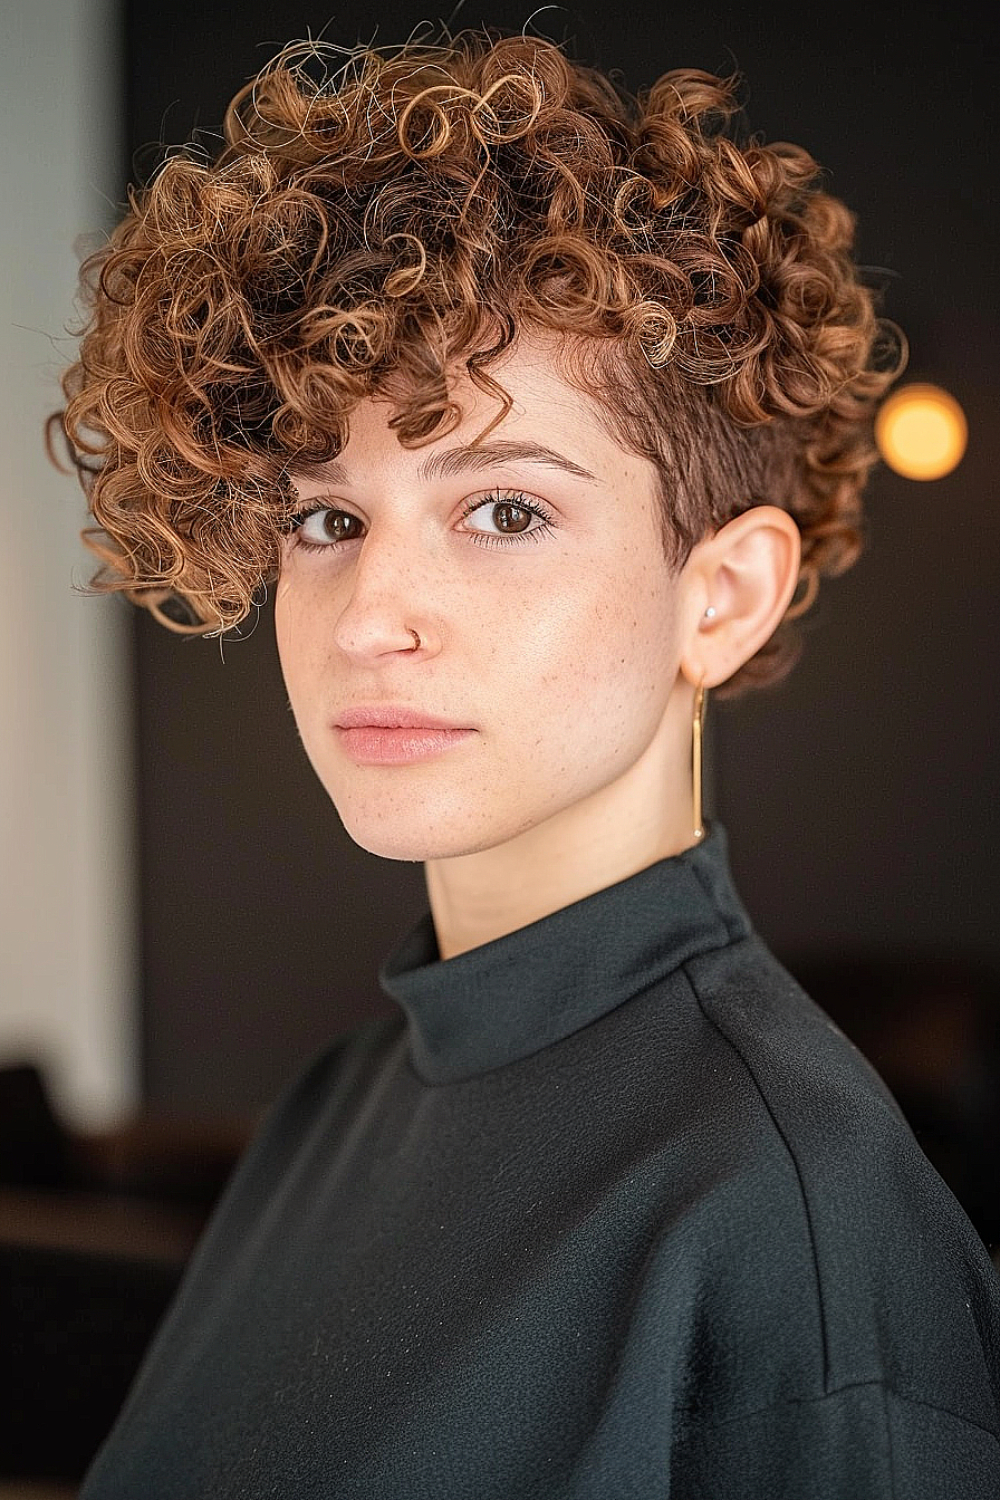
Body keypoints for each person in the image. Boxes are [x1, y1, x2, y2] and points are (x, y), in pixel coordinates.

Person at [54, 24, 1000, 1498]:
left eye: (503, 513)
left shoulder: (796, 1224)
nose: (371, 617)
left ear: (723, 596)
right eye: (325, 518)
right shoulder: (331, 1109)